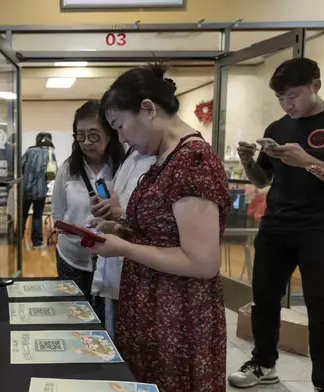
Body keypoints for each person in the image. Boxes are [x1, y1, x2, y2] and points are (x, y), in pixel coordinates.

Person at [88, 64, 231, 392]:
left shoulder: (192, 162)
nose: (121, 138)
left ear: (148, 109)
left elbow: (202, 262)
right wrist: (119, 228)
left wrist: (123, 247)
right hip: (151, 307)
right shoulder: (164, 158)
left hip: (179, 315)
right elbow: (160, 233)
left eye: (120, 126)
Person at [229, 58, 324, 392]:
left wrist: (307, 161)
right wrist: (248, 160)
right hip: (276, 225)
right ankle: (264, 364)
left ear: (315, 86)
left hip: (322, 226)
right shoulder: (278, 127)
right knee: (264, 299)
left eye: (292, 96)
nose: (286, 104)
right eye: (280, 98)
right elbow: (262, 180)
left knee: (322, 310)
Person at [52, 100, 127, 317]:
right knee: (71, 315)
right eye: (80, 135)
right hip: (72, 255)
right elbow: (58, 212)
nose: (86, 142)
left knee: (107, 317)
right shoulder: (68, 168)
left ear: (110, 132)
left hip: (111, 258)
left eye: (94, 135)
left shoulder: (123, 167)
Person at [88, 142, 155, 338]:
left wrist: (120, 216)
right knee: (115, 335)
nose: (122, 135)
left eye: (120, 123)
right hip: (117, 263)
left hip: (145, 273)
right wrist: (110, 215)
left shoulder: (173, 158)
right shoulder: (131, 154)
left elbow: (160, 224)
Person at [22, 133, 56, 249]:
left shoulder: (29, 151)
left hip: (25, 189)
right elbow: (53, 172)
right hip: (40, 190)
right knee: (37, 215)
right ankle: (36, 242)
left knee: (23, 215)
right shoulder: (50, 153)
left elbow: (21, 166)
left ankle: (17, 240)